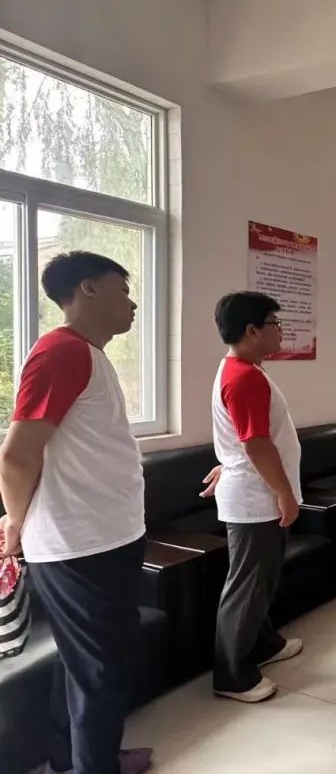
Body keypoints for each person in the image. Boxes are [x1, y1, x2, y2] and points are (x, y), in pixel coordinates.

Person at [0, 252, 153, 774]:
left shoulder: (88, 354)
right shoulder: (60, 352)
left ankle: (77, 758)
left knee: (85, 664)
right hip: (77, 546)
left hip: (108, 537)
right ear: (88, 288)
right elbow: (17, 455)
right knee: (100, 673)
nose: (132, 303)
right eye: (123, 290)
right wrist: (15, 521)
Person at [209, 291, 303, 703]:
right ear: (252, 330)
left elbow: (240, 439)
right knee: (247, 586)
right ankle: (231, 675)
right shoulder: (244, 376)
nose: (280, 331)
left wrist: (226, 463)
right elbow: (255, 443)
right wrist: (284, 493)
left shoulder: (243, 370)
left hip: (254, 489)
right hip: (255, 498)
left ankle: (263, 644)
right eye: (275, 323)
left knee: (261, 581)